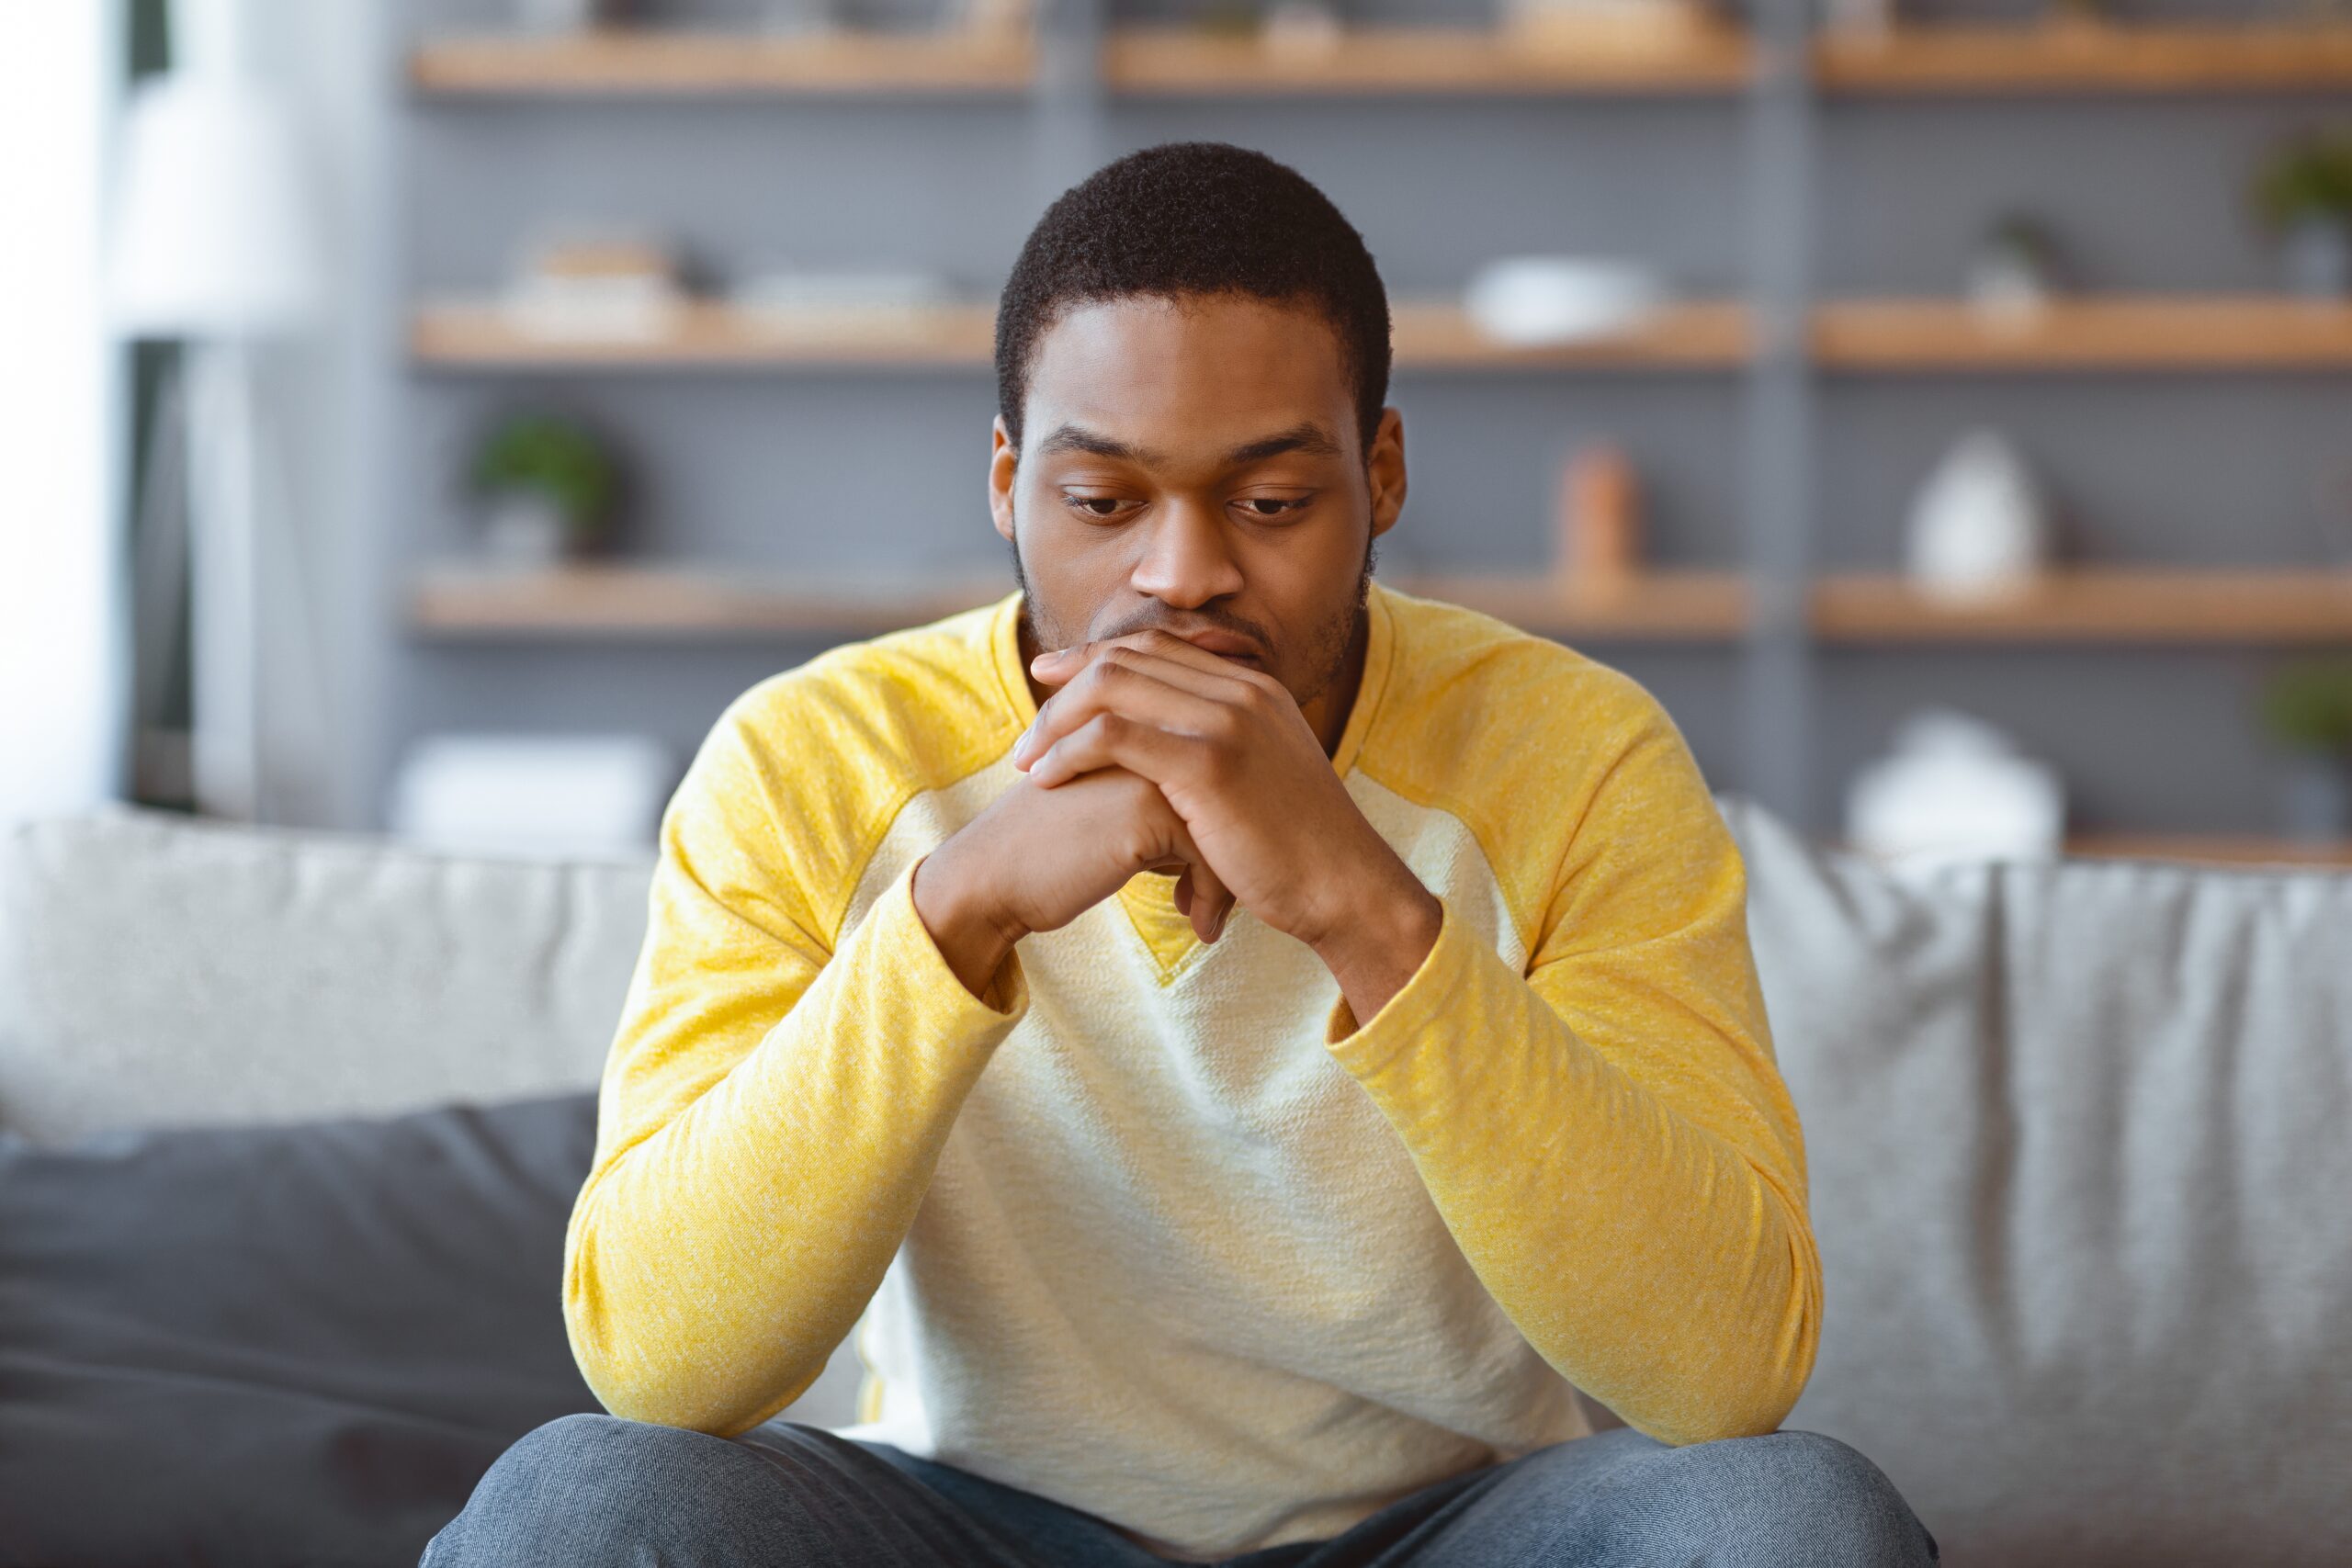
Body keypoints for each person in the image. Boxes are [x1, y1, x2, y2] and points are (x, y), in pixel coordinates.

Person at [424, 141, 1938, 1567]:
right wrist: (962, 909)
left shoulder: (1579, 757)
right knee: (584, 1501)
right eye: (1102, 503)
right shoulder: (810, 760)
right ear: (1009, 483)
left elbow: (1728, 1374)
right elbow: (660, 1356)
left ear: (1383, 478)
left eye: (1272, 503)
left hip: (1440, 1529)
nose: (1183, 575)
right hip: (970, 1519)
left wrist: (1363, 910)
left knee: (1789, 1518)